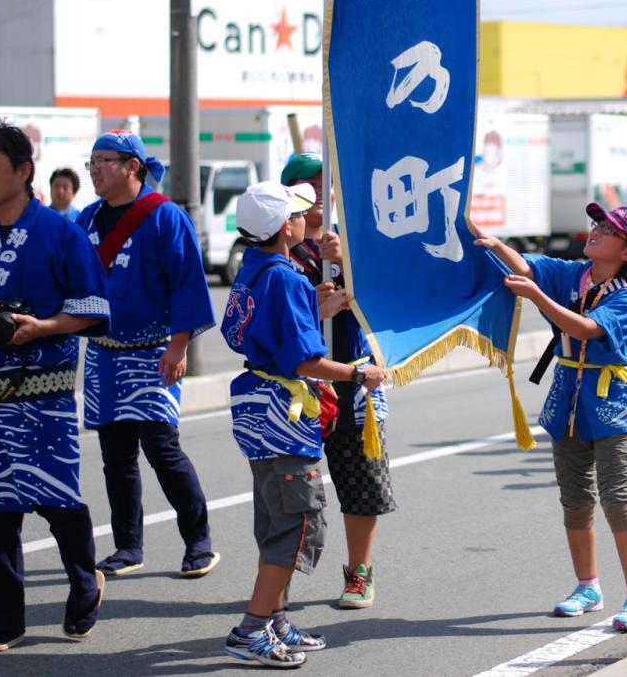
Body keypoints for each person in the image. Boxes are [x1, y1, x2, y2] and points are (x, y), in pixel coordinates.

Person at [220, 181, 389, 667]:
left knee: (275, 515)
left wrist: (316, 308)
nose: (304, 219)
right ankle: (252, 627)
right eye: (296, 213)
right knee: (296, 523)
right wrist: (360, 372)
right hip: (284, 410)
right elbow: (305, 361)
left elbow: (249, 332)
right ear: (282, 226)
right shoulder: (287, 277)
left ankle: (274, 619)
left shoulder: (254, 269)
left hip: (256, 407)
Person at [477, 203, 627, 632]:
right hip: (569, 401)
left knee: (617, 498)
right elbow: (529, 267)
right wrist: (495, 243)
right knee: (575, 501)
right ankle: (588, 586)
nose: (595, 231)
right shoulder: (572, 273)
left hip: (613, 404)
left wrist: (536, 296)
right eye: (596, 223)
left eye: (608, 230)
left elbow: (584, 329)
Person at [0, 123, 111, 652]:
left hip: (46, 391)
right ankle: (7, 617)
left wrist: (43, 327)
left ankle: (84, 583)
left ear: (23, 172)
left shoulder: (61, 232)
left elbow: (95, 308)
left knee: (57, 499)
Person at [76, 131, 218, 579]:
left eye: (104, 160)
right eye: (91, 161)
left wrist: (179, 347)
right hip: (103, 354)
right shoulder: (88, 218)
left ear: (132, 166)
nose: (95, 169)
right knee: (115, 456)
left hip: (153, 350)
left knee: (162, 448)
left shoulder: (165, 217)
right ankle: (128, 546)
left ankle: (199, 541)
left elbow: (187, 282)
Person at [281, 152, 395, 608]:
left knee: (359, 480)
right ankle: (279, 574)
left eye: (322, 187)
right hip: (298, 386)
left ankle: (359, 572)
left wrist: (347, 263)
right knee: (289, 488)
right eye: (307, 190)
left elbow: (387, 299)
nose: (317, 200)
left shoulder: (353, 243)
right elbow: (267, 317)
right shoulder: (277, 250)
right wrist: (314, 303)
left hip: (354, 377)